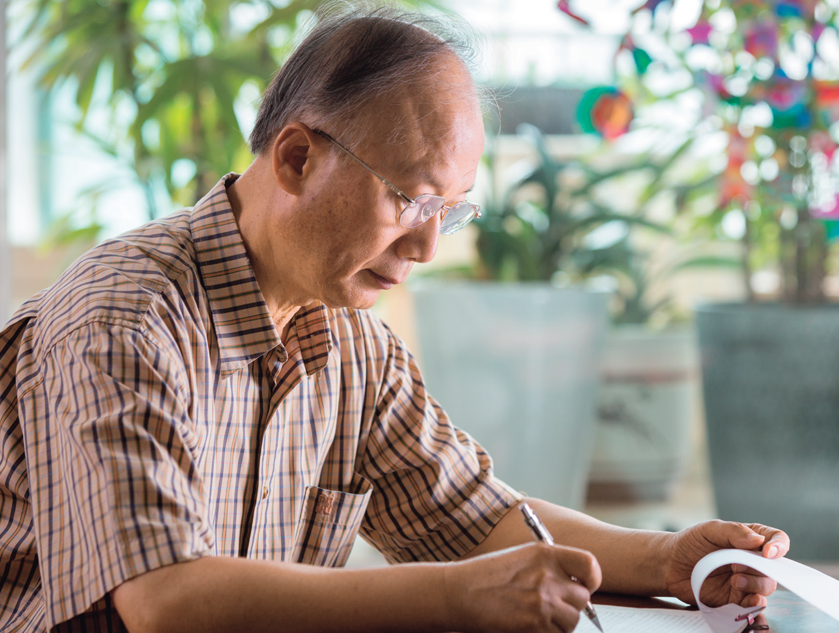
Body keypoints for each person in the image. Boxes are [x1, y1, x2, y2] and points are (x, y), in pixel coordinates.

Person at [0, 5, 789, 632]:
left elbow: (474, 517)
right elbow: (165, 602)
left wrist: (668, 558)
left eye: (450, 209)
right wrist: (456, 598)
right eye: (409, 197)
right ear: (297, 158)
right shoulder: (125, 319)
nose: (426, 244)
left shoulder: (351, 342)